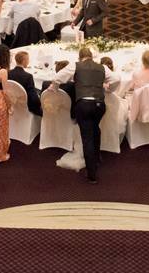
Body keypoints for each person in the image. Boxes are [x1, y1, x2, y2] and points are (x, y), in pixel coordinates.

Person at [51, 47, 119, 183]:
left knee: (87, 137)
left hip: (84, 105)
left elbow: (56, 78)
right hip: (99, 105)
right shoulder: (102, 67)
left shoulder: (75, 66)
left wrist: (56, 89)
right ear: (91, 57)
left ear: (80, 57)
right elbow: (117, 79)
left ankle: (92, 174)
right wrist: (109, 89)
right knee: (95, 129)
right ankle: (97, 157)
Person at [9, 51, 42, 116]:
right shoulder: (28, 76)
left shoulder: (8, 73)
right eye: (28, 59)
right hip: (25, 106)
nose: (28, 62)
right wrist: (39, 103)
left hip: (12, 103)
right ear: (24, 61)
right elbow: (33, 98)